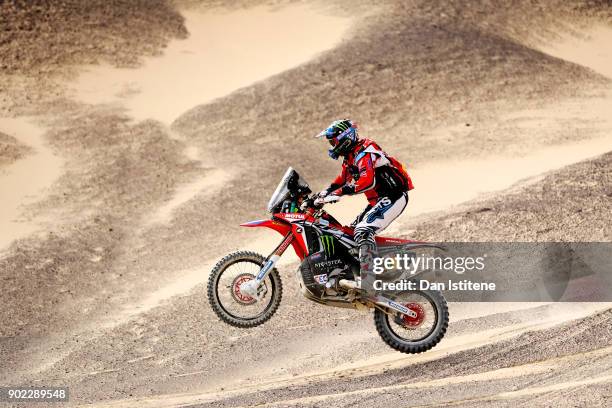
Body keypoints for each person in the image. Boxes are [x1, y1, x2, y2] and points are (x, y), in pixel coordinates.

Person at [314, 119, 413, 287]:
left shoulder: (365, 151)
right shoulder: (350, 156)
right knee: (347, 235)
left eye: (333, 140)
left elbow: (367, 182)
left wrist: (339, 193)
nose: (331, 145)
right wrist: (323, 193)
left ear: (345, 138)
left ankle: (369, 279)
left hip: (393, 196)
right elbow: (342, 180)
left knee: (363, 231)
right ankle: (358, 273)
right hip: (378, 201)